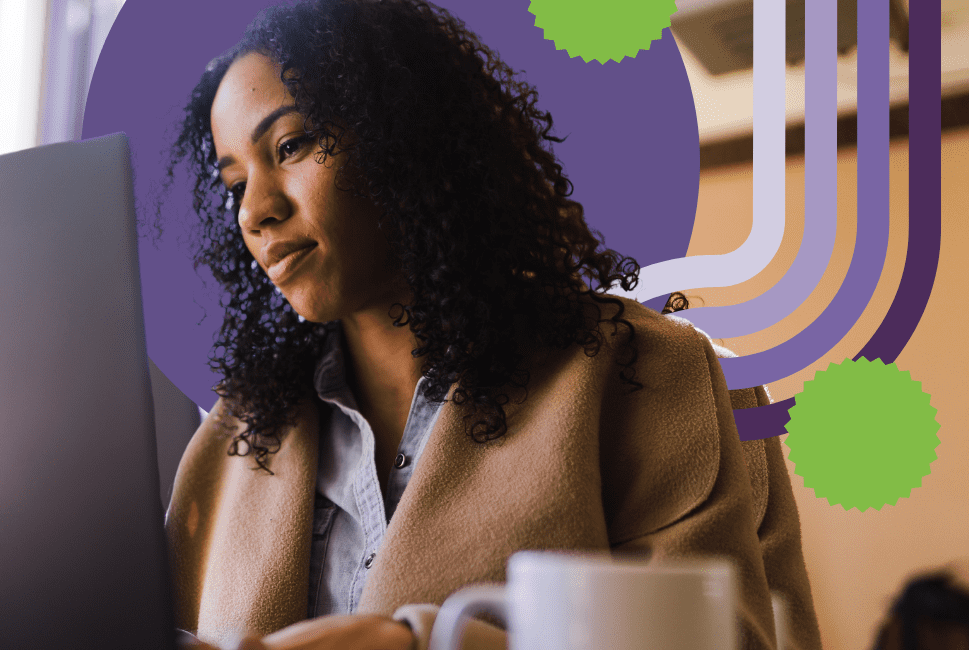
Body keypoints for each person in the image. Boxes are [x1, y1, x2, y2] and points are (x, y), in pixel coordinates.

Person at [159, 1, 820, 648]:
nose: (256, 211)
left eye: (292, 144)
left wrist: (424, 642)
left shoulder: (646, 377)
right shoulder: (232, 441)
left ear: (405, 135)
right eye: (235, 183)